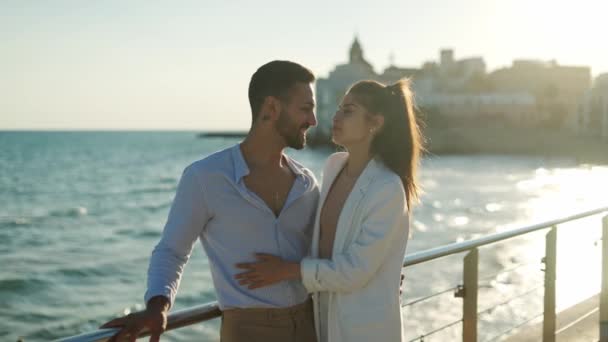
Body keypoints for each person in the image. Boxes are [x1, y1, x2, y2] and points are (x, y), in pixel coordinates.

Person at [100, 60, 320, 342]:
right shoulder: (205, 178)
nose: (313, 121)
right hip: (247, 332)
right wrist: (158, 306)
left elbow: (323, 254)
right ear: (272, 108)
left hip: (310, 326)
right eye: (306, 109)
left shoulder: (306, 183)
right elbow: (171, 251)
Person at [234, 79, 423, 341]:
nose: (336, 116)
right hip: (324, 320)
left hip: (365, 329)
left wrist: (287, 270)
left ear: (375, 123)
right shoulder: (334, 167)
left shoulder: (387, 187)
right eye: (339, 108)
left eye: (349, 111)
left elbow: (355, 270)